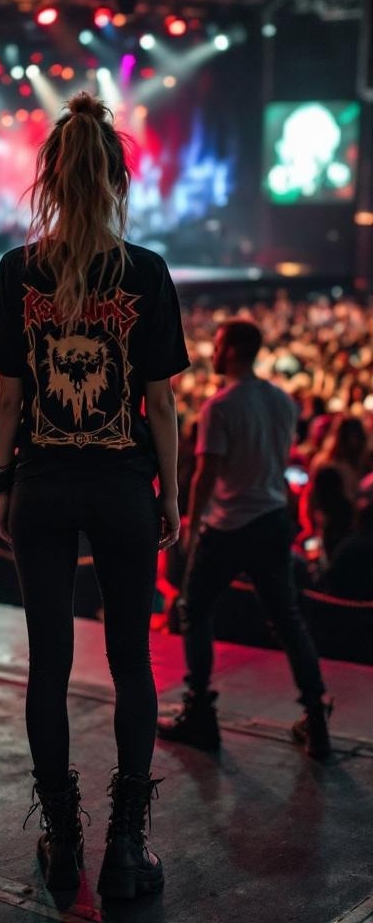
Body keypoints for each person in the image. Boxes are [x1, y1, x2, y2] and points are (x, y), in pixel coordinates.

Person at [0, 91, 189, 899]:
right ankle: (125, 849)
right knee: (132, 662)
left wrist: (3, 482)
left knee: (49, 667)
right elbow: (161, 404)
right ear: (117, 181)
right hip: (122, 484)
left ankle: (63, 842)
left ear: (52, 181)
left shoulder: (17, 269)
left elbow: (8, 398)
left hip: (42, 484)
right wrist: (171, 494)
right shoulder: (147, 272)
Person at [157, 319, 333, 760]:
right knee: (287, 620)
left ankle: (200, 713)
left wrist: (190, 527)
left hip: (228, 525)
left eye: (217, 346)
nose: (212, 354)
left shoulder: (220, 407)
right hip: (271, 521)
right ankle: (316, 718)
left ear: (233, 350)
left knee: (195, 611)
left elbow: (206, 476)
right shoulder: (282, 401)